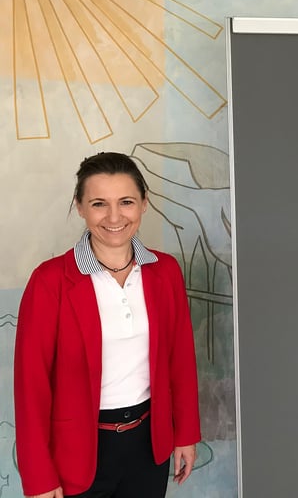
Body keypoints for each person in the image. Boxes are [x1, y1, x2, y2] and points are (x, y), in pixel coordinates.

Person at [14, 152, 201, 498]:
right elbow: (31, 385)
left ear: (144, 204)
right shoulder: (49, 281)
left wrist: (186, 433)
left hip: (149, 447)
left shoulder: (165, 272)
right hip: (76, 454)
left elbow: (181, 360)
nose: (114, 217)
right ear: (80, 207)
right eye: (99, 204)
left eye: (126, 202)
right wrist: (39, 476)